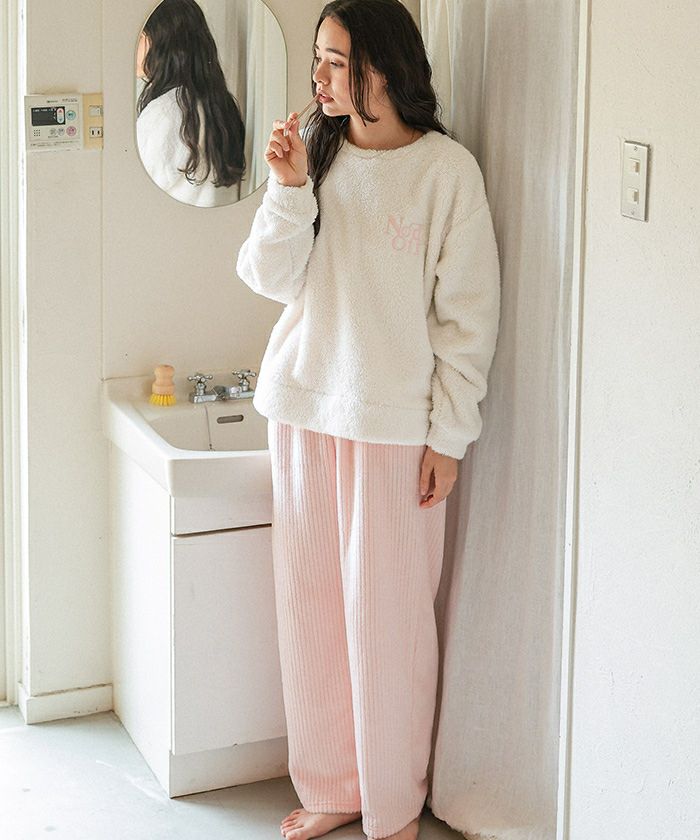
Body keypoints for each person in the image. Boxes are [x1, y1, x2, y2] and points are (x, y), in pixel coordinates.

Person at [236, 1, 501, 838]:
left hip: (392, 428)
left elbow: (467, 320)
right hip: (303, 409)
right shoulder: (316, 153)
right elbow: (269, 278)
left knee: (391, 626)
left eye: (334, 60)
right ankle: (332, 788)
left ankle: (391, 803)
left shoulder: (446, 173)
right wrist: (286, 190)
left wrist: (448, 438)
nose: (318, 77)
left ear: (381, 66)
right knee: (313, 613)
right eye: (316, 58)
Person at [135, 0, 246, 207]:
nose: (133, 45)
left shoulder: (166, 111)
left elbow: (135, 190)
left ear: (159, 41)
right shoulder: (219, 105)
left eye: (140, 37)